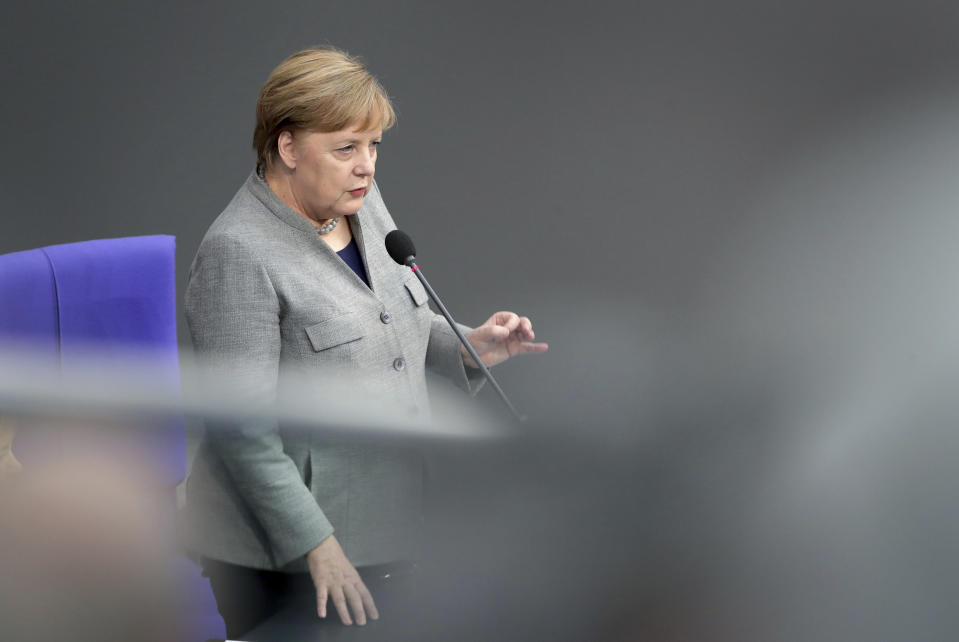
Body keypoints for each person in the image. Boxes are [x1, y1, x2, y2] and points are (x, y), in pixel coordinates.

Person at [183, 47, 547, 638]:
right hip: (288, 555)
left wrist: (468, 347)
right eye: (346, 147)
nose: (367, 166)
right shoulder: (238, 253)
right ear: (288, 146)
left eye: (374, 145)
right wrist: (317, 547)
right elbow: (240, 430)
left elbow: (391, 326)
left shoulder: (362, 205)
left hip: (388, 517)